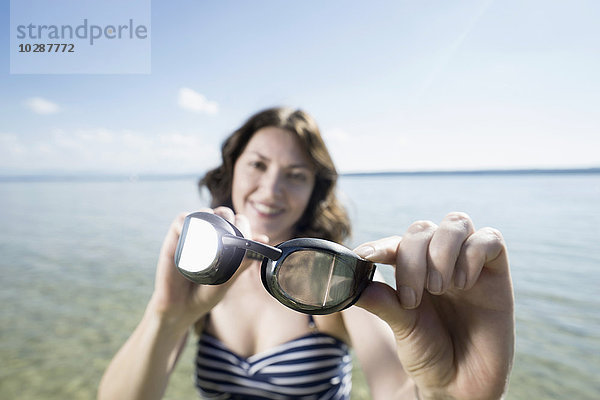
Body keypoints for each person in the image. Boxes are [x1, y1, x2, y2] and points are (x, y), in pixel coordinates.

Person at [98, 107, 515, 400]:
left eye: (295, 176)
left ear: (314, 190)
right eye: (257, 165)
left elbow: (399, 390)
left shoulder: (334, 279)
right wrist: (167, 316)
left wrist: (444, 397)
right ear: (232, 168)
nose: (271, 189)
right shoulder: (205, 281)